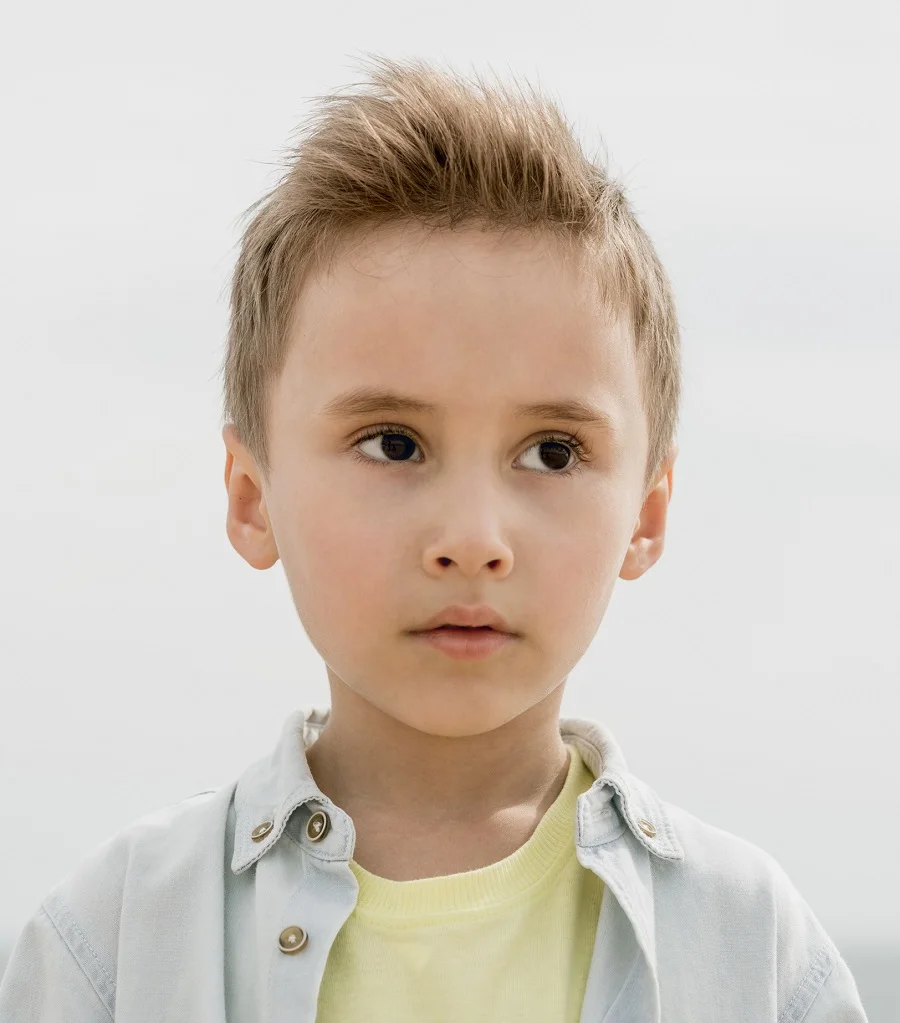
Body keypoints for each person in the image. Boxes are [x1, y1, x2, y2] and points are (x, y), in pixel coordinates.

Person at [0, 54, 869, 1023]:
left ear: (647, 513)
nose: (472, 539)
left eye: (551, 452)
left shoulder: (751, 953)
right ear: (252, 496)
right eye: (393, 443)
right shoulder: (114, 950)